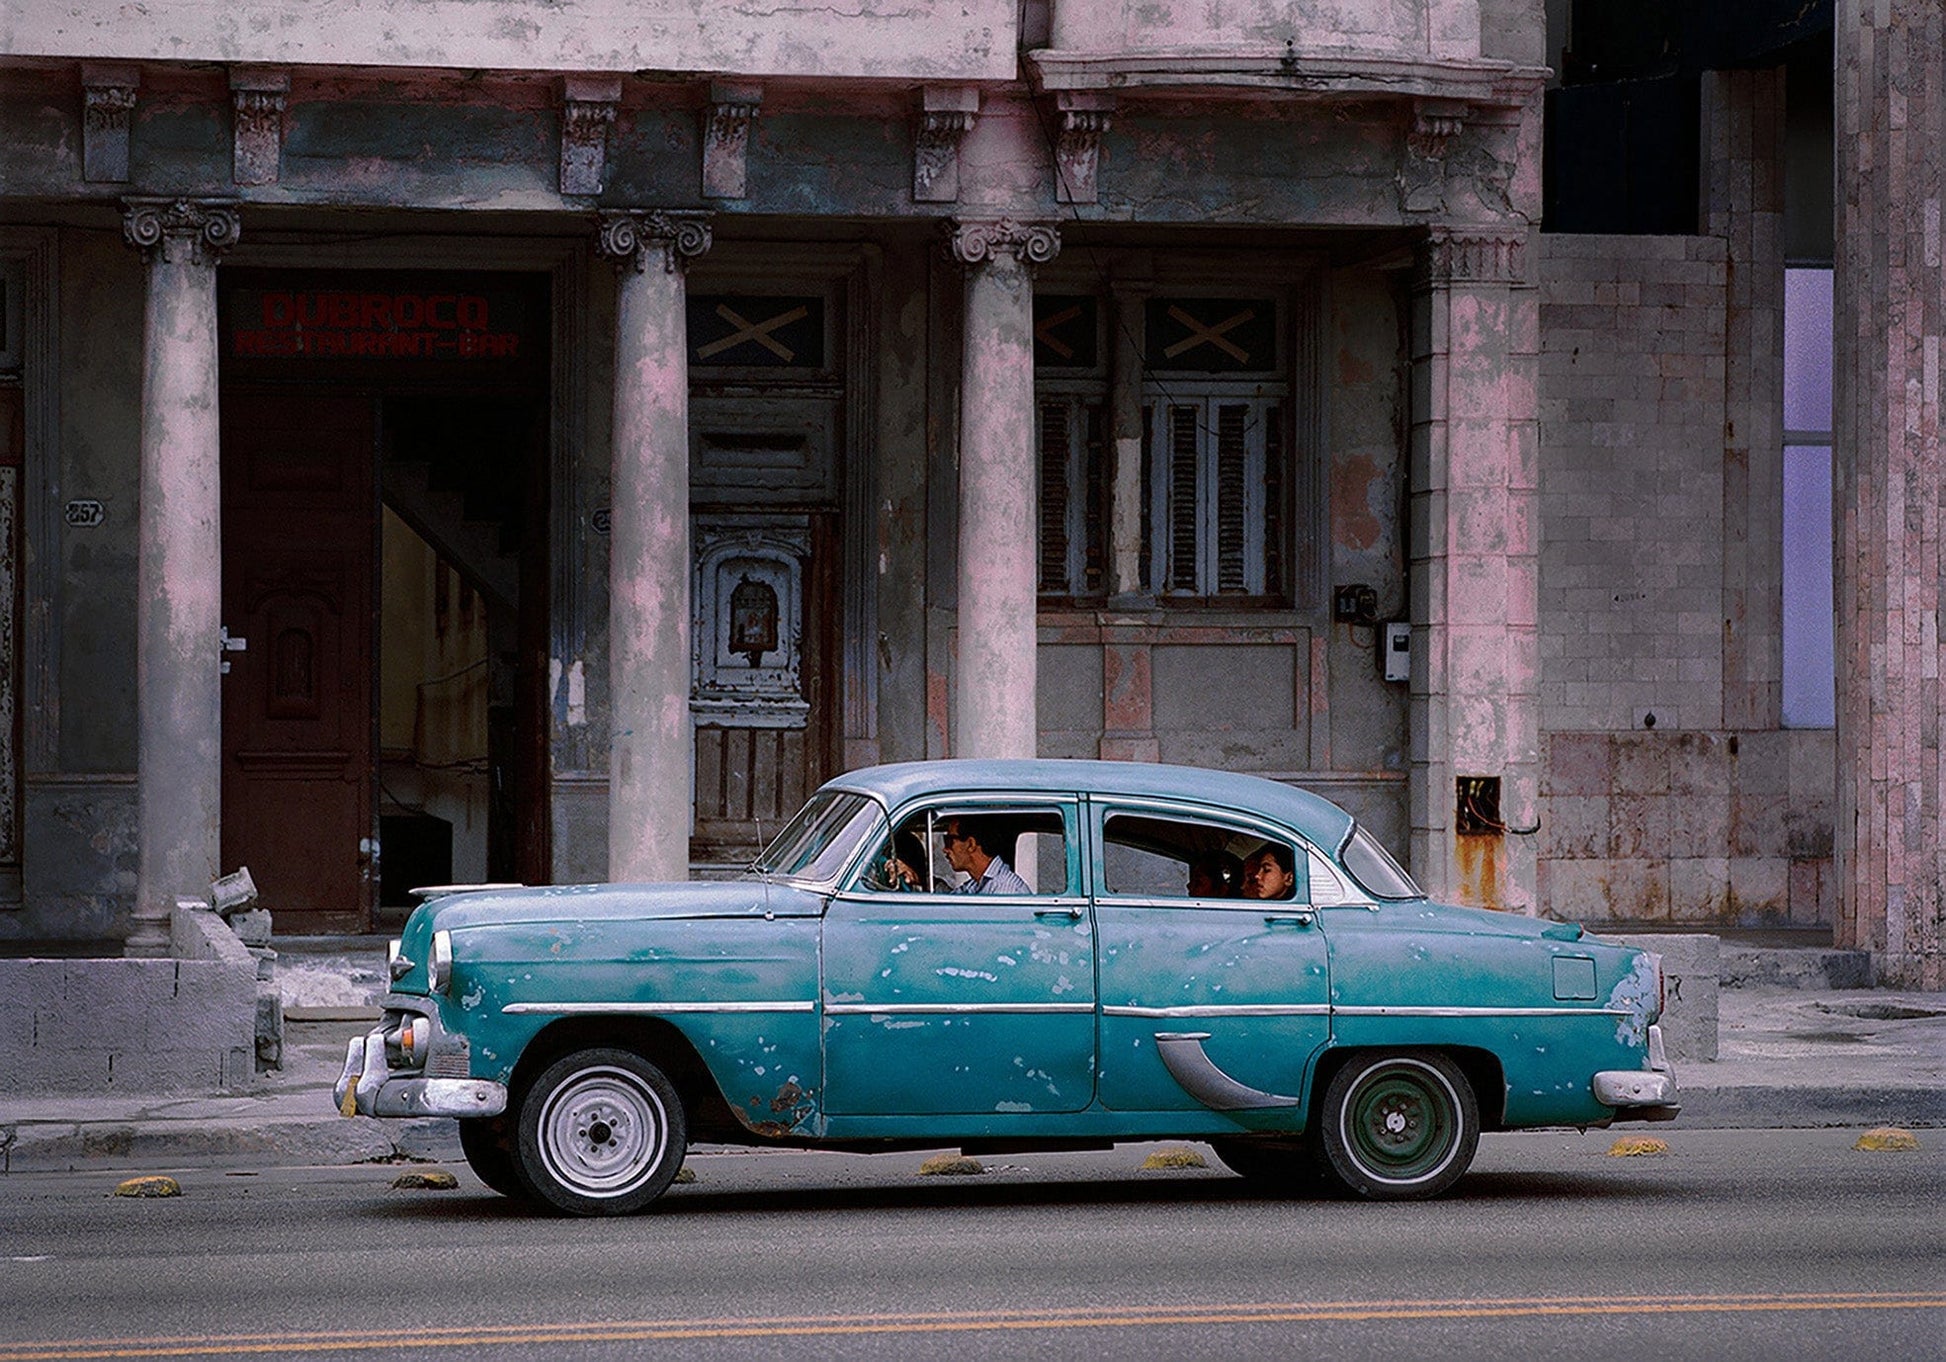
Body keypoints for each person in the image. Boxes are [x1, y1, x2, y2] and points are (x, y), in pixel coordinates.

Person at [942, 816, 1031, 894]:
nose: (945, 850)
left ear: (971, 844)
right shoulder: (976, 884)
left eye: (949, 841)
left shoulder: (1005, 888)